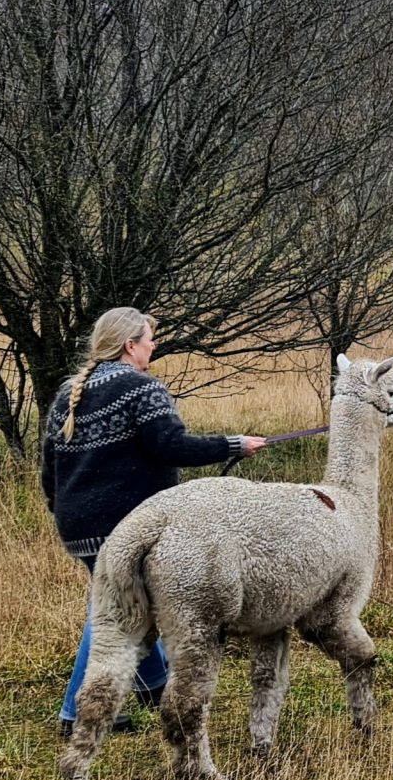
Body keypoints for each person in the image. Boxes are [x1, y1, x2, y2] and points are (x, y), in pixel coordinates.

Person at [42, 307, 265, 737]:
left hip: (78, 523)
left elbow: (48, 466)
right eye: (149, 340)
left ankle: (152, 685)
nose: (153, 346)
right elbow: (172, 446)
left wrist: (63, 510)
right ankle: (75, 714)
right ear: (130, 345)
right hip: (125, 523)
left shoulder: (71, 390)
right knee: (115, 612)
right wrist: (233, 445)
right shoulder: (141, 389)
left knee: (135, 603)